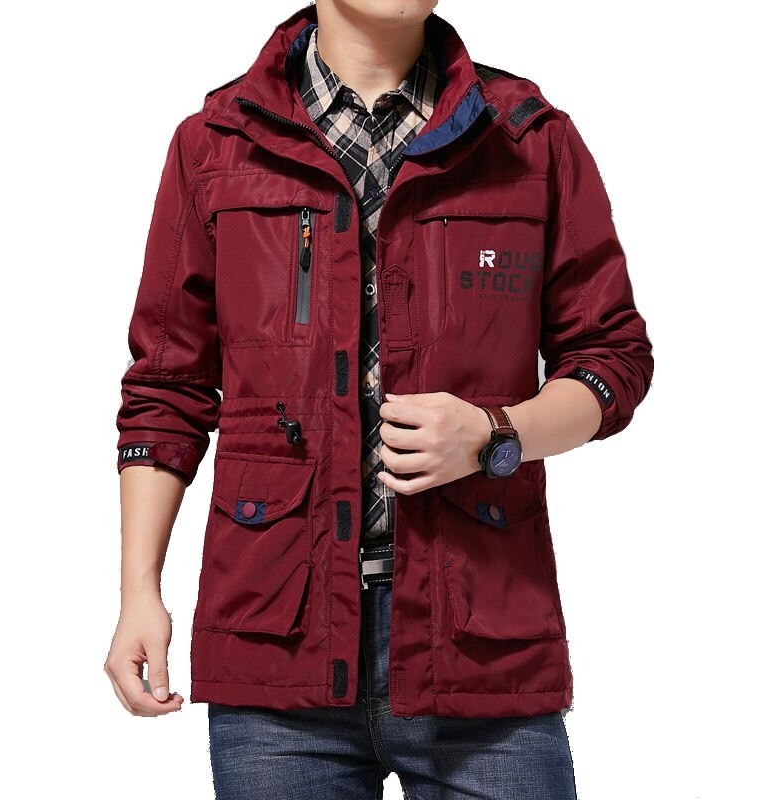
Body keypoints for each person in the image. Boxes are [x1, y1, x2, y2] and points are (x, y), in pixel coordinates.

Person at [104, 1, 654, 797]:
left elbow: (612, 357)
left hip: (481, 645)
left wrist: (495, 431)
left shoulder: (528, 140)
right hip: (277, 646)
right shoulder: (216, 144)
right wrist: (138, 592)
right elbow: (168, 386)